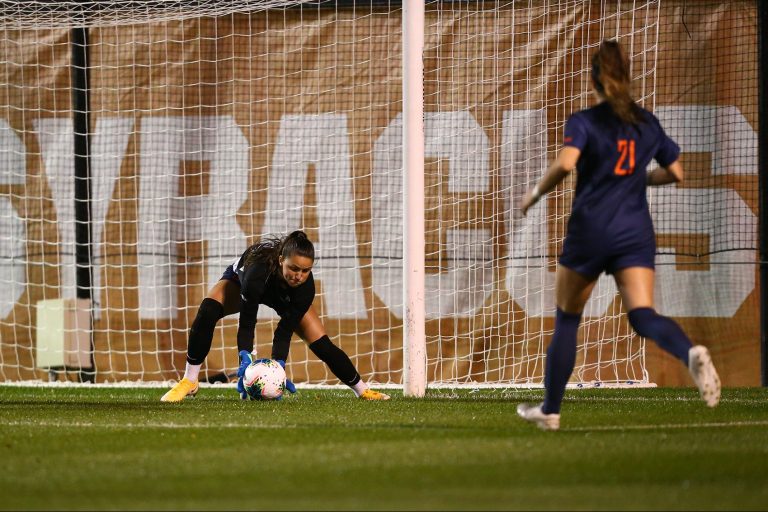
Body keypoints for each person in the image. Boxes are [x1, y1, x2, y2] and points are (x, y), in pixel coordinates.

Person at [515, 40, 720, 431]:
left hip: (590, 230)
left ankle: (551, 410)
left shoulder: (584, 121)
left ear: (594, 79)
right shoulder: (647, 123)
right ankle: (690, 351)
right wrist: (639, 178)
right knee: (643, 315)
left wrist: (535, 193)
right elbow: (677, 173)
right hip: (633, 232)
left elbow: (566, 162)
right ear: (627, 76)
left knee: (567, 318)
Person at [161, 230, 390, 402]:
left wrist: (278, 367)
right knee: (208, 311)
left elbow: (284, 331)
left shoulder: (305, 289)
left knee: (322, 344)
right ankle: (190, 380)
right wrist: (245, 359)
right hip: (240, 281)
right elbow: (247, 320)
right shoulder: (257, 274)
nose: (298, 275)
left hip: (283, 297)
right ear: (282, 260)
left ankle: (362, 389)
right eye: (293, 268)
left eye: (305, 271)